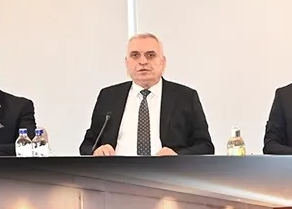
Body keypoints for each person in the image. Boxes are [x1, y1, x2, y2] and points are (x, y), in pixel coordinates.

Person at [79, 33, 214, 156]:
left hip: (166, 172)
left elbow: (205, 146)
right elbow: (87, 145)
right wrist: (97, 151)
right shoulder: (108, 96)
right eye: (135, 55)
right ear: (126, 63)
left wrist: (177, 156)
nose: (143, 62)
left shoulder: (185, 97)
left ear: (162, 62)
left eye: (150, 55)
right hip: (117, 172)